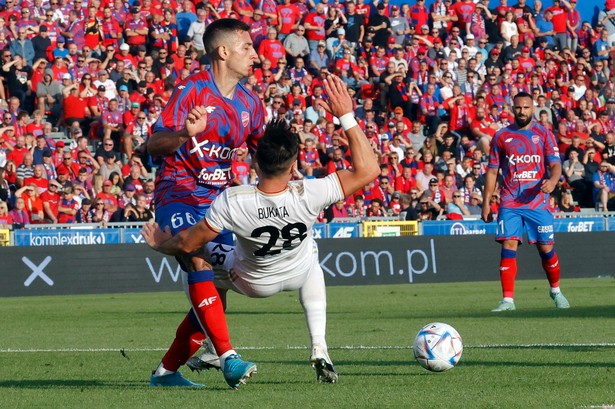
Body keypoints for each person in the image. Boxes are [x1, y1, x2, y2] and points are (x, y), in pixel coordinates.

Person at [143, 75, 380, 384]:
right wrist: (346, 114)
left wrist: (161, 245)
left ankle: (219, 355)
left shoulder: (233, 200)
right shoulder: (312, 192)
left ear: (253, 163)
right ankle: (318, 345)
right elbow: (369, 169)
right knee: (311, 253)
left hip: (249, 279)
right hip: (296, 273)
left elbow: (186, 243)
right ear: (294, 163)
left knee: (199, 267)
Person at [145, 18, 265, 389]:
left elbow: (264, 161)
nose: (256, 56)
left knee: (226, 281)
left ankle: (165, 374)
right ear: (223, 51)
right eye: (247, 47)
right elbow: (152, 146)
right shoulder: (191, 91)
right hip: (177, 193)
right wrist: (184, 133)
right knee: (196, 256)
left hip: (218, 204)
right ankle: (228, 358)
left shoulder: (250, 103)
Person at [481, 91, 570, 312]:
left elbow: (556, 164)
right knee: (508, 244)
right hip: (510, 201)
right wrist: (486, 203)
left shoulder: (544, 134)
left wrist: (553, 180)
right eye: (518, 107)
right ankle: (508, 301)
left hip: (537, 201)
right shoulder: (501, 136)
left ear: (533, 109)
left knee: (546, 248)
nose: (522, 111)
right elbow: (492, 172)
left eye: (526, 107)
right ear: (513, 108)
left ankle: (556, 291)